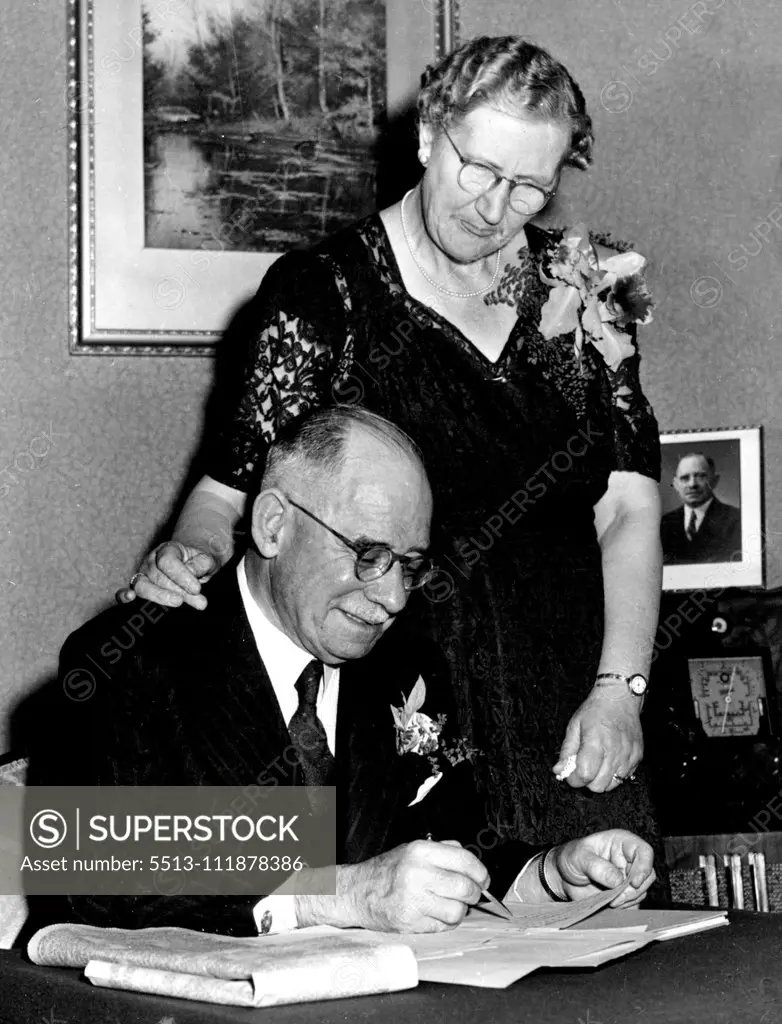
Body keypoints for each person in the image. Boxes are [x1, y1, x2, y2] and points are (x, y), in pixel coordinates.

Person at [120, 36, 663, 855]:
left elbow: (627, 508)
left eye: (529, 189)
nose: (493, 208)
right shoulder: (324, 294)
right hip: (405, 711)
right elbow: (229, 494)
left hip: (576, 713)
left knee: (607, 941)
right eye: (476, 169)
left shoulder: (591, 288)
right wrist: (186, 555)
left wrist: (620, 690)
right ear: (426, 137)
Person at [27, 408, 655, 938]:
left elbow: (451, 844)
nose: (393, 598)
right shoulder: (128, 657)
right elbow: (87, 886)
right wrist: (333, 897)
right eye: (367, 554)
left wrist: (552, 874)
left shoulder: (406, 665)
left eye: (409, 565)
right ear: (274, 524)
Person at [661, 453, 742, 565]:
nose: (692, 484)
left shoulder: (737, 520)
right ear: (676, 484)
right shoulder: (664, 524)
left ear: (714, 481)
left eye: (700, 476)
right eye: (685, 478)